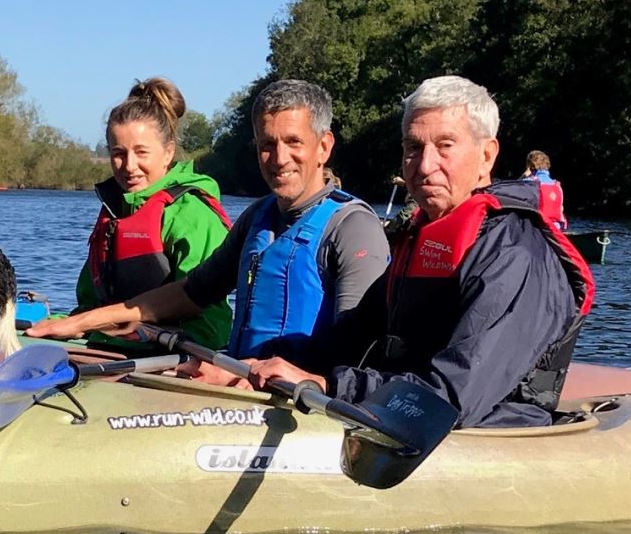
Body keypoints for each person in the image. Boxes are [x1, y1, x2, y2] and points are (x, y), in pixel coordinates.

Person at [235, 76, 595, 428]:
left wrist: (328, 385)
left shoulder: (516, 254)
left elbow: (449, 398)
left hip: (486, 440)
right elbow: (347, 339)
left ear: (487, 156)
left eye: (445, 146)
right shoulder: (421, 239)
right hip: (401, 417)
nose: (424, 166)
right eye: (413, 147)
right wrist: (256, 367)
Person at [27, 79, 390, 360]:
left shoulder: (354, 227)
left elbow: (359, 344)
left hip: (304, 403)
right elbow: (190, 293)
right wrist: (80, 322)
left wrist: (273, 373)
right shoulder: (257, 219)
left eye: (293, 142)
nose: (279, 158)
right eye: (267, 144)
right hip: (247, 390)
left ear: (323, 147)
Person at [67, 77, 233, 350]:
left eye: (141, 152)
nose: (129, 166)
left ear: (168, 153)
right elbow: (89, 299)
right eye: (118, 153)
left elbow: (206, 314)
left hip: (178, 354)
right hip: (112, 348)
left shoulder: (192, 214)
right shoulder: (115, 211)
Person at [521, 149, 568, 231]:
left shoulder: (530, 183)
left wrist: (523, 176)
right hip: (557, 228)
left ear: (531, 167)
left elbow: (513, 191)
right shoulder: (557, 185)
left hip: (538, 227)